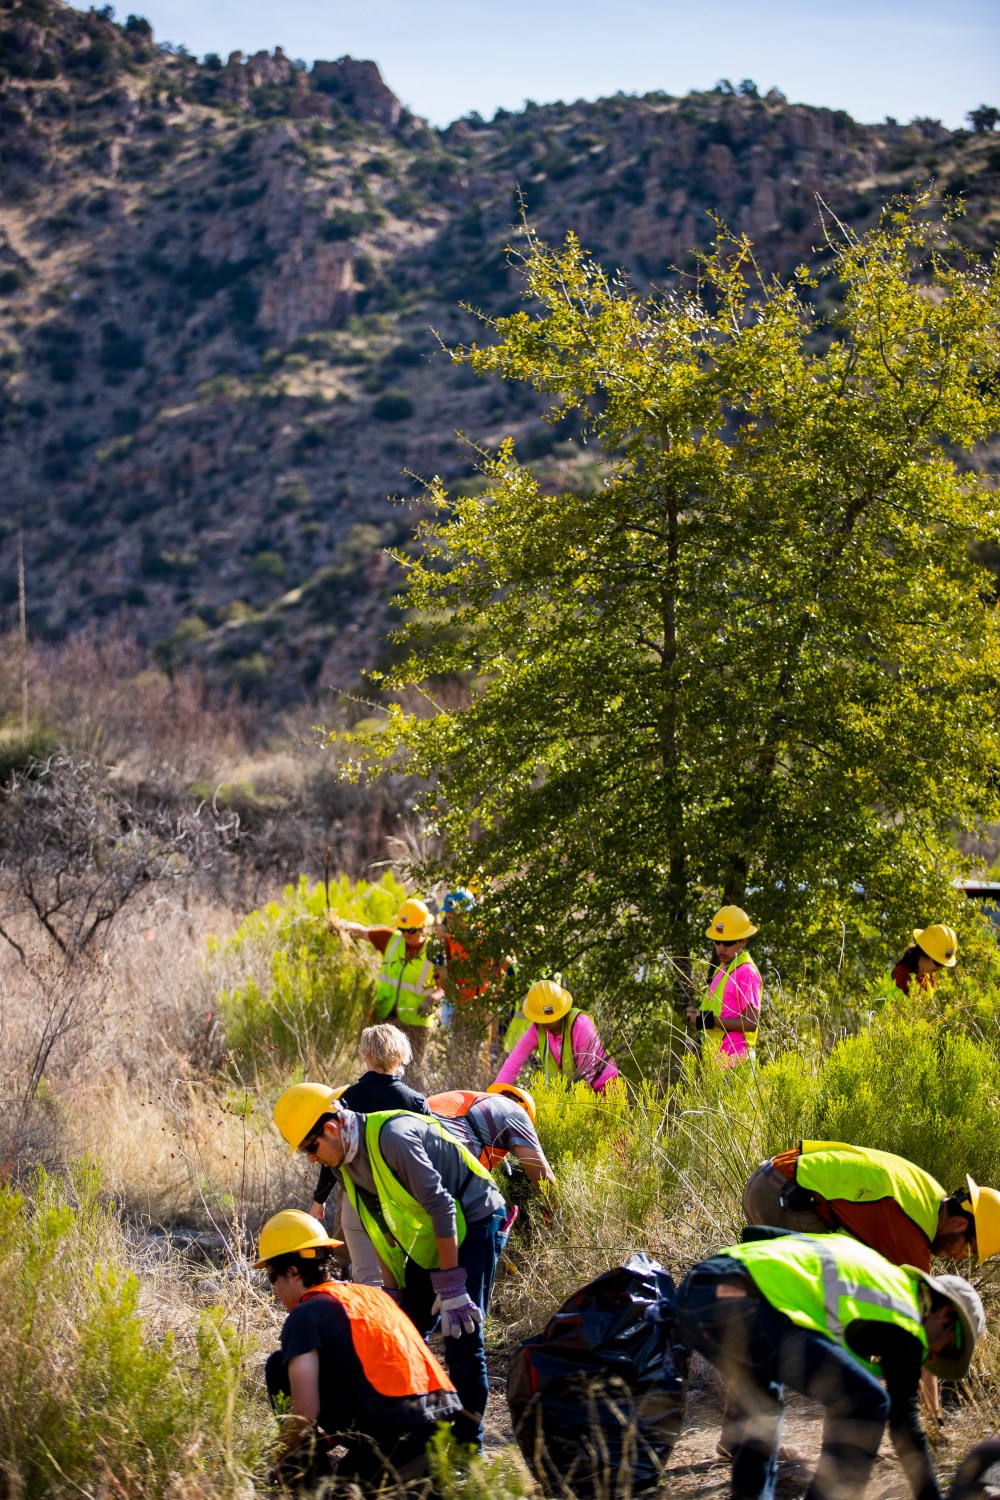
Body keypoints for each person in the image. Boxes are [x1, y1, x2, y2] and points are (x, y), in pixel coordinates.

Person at [274, 1082, 507, 1452]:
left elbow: (442, 1206)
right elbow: (380, 1227)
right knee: (406, 1327)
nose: (311, 1159)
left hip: (477, 1217)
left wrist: (450, 1286)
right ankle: (419, 1442)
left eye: (310, 1148)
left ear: (331, 1129)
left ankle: (466, 1453)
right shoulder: (344, 1163)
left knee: (462, 1335)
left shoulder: (393, 1137)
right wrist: (393, 1290)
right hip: (435, 1231)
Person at [670, 1226, 984, 1500]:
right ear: (945, 1315)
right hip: (736, 1299)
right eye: (948, 1349)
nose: (933, 1357)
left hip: (696, 1292)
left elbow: (759, 1233)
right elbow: (904, 1423)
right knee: (866, 1400)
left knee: (762, 1398)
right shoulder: (905, 1317)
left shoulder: (870, 1267)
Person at [255, 1209, 461, 1491]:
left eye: (272, 1278)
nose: (274, 1291)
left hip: (392, 1430)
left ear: (293, 1272)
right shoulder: (373, 1296)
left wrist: (269, 1462)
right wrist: (331, 1438)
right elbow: (373, 1377)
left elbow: (305, 1412)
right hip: (436, 1424)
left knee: (278, 1366)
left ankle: (307, 1482)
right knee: (351, 1477)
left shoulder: (306, 1315)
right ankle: (405, 1470)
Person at [741, 1140, 1000, 1274]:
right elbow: (919, 1305)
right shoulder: (913, 1227)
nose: (960, 1257)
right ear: (960, 1223)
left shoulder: (927, 1193)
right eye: (969, 1249)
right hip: (782, 1196)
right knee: (824, 1296)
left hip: (772, 1181)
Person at [309, 1024, 430, 1287]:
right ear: (401, 1055)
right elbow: (428, 1158)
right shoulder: (416, 1102)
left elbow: (330, 1154)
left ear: (365, 1054)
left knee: (367, 1279)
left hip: (358, 1199)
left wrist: (320, 1198)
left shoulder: (346, 1099)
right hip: (402, 1201)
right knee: (403, 1278)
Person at [332, 898, 445, 1074]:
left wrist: (431, 999)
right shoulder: (391, 939)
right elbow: (362, 932)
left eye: (411, 930)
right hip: (385, 1018)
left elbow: (443, 986)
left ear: (423, 927)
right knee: (379, 1070)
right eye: (402, 929)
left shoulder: (434, 951)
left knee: (411, 1072)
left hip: (415, 1023)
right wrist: (340, 925)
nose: (405, 934)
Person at [493, 979, 619, 1094]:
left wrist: (574, 1104)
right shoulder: (536, 1030)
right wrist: (495, 1094)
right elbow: (513, 1063)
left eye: (548, 1018)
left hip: (604, 1085)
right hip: (571, 1089)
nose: (543, 1022)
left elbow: (587, 1072)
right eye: (539, 1018)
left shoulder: (581, 1025)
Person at [428, 1083, 556, 1189]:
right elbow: (544, 1178)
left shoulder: (478, 1103)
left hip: (420, 1146)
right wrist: (556, 1210)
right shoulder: (517, 1112)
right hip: (440, 1159)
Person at [685, 905, 761, 1065]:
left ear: (743, 942)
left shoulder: (747, 972)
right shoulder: (722, 970)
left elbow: (751, 1023)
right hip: (716, 1065)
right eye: (717, 941)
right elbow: (718, 1015)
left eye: (728, 942)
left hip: (736, 1063)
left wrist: (709, 1020)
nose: (721, 948)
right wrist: (699, 1021)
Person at [892, 925, 959, 998]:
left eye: (943, 964)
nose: (940, 968)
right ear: (924, 954)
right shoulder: (899, 976)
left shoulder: (929, 975)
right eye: (938, 963)